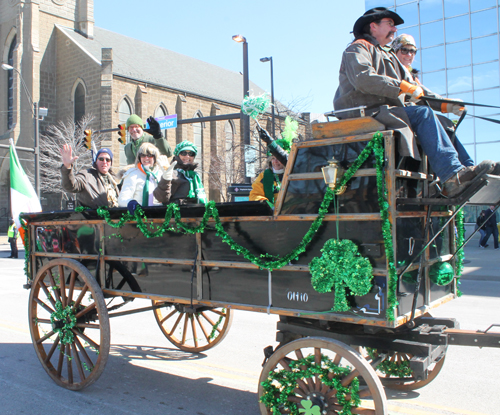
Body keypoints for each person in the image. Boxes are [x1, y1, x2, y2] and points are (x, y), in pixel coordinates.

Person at [333, 7, 495, 198]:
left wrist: (444, 104)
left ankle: (468, 171)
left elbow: (415, 88)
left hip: (387, 111)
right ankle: (452, 176)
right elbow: (363, 79)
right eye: (390, 24)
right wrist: (401, 87)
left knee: (444, 122)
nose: (394, 30)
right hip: (365, 112)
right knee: (423, 114)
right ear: (373, 26)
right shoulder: (357, 48)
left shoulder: (389, 55)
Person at [391, 33, 474, 168]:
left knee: (445, 123)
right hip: (397, 114)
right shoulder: (391, 69)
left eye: (412, 51)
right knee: (426, 114)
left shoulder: (411, 76)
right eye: (404, 50)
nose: (409, 55)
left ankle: (468, 166)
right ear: (395, 52)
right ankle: (450, 169)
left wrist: (449, 104)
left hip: (412, 113)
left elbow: (425, 94)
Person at [118, 142, 176, 214]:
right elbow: (122, 199)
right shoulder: (132, 174)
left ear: (155, 157)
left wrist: (167, 176)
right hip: (138, 217)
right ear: (139, 157)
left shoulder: (161, 174)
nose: (146, 158)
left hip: (159, 216)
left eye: (149, 155)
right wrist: (131, 203)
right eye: (143, 155)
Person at [154, 141, 207, 205]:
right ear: (178, 155)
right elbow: (161, 198)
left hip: (195, 213)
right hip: (177, 213)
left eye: (191, 154)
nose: (187, 156)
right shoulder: (172, 173)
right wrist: (165, 179)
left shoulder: (194, 176)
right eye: (183, 153)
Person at [249, 138, 290, 208]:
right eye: (273, 158)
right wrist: (269, 206)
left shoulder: (293, 174)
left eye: (279, 159)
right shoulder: (264, 176)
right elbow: (255, 195)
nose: (275, 161)